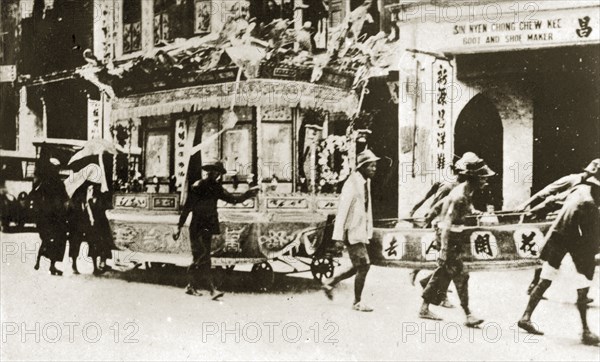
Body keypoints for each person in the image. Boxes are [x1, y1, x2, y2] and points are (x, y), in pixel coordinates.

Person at [517, 177, 600, 346]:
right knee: (583, 285)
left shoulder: (579, 188)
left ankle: (525, 317)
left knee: (546, 278)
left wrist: (537, 209)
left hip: (557, 236)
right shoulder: (590, 205)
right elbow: (591, 235)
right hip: (575, 241)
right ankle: (585, 331)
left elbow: (553, 200)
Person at [419, 155, 495, 326]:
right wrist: (443, 251)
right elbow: (446, 224)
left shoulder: (467, 190)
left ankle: (424, 303)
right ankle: (468, 314)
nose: (485, 181)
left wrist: (473, 211)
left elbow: (442, 205)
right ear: (474, 178)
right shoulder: (459, 195)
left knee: (444, 273)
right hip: (448, 236)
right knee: (460, 275)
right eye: (483, 177)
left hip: (454, 236)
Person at [173, 161, 258, 300]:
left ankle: (195, 287)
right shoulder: (199, 186)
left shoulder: (213, 187)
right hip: (199, 225)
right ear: (211, 172)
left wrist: (248, 194)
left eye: (217, 172)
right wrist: (179, 226)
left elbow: (232, 199)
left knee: (204, 258)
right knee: (202, 256)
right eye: (215, 172)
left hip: (205, 225)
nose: (216, 175)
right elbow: (188, 207)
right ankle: (207, 289)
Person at [518, 158, 599, 298]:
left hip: (577, 222)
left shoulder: (594, 187)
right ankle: (534, 284)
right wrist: (526, 205)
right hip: (560, 219)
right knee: (549, 256)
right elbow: (547, 192)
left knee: (582, 258)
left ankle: (582, 294)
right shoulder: (572, 180)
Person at [407, 152, 480, 289]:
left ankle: (431, 286)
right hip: (442, 224)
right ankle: (421, 276)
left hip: (451, 225)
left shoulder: (465, 187)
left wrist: (473, 210)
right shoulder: (449, 186)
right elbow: (435, 205)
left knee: (447, 261)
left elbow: (468, 203)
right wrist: (427, 222)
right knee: (444, 259)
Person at [321, 149, 379, 312]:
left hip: (360, 230)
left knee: (358, 266)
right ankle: (357, 302)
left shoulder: (364, 181)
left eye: (375, 166)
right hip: (351, 231)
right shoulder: (352, 183)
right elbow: (342, 211)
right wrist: (338, 237)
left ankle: (330, 282)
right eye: (371, 166)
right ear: (362, 167)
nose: (374, 169)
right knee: (364, 265)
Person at [32, 158, 70, 276]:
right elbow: (64, 199)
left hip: (49, 216)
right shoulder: (56, 182)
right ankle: (50, 265)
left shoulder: (45, 182)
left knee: (49, 240)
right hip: (54, 217)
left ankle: (42, 262)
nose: (57, 170)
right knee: (56, 240)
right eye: (56, 168)